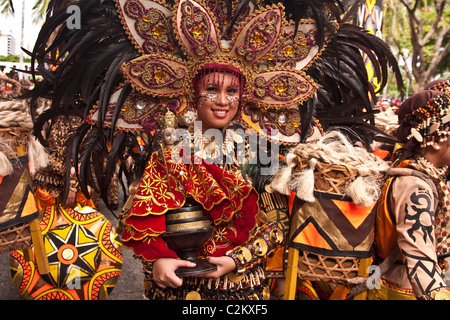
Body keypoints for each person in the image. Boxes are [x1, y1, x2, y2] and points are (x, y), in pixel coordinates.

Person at [371, 86, 450, 300]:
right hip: (401, 290)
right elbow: (420, 262)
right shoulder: (415, 185)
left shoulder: (422, 174)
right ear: (433, 141)